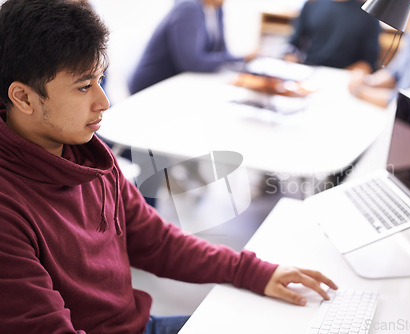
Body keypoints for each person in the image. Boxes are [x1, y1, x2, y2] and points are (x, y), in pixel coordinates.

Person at [0, 1, 337, 333]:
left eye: (102, 80)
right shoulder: (9, 210)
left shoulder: (89, 153)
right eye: (84, 86)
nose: (103, 102)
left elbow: (158, 242)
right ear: (24, 98)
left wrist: (255, 272)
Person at [128, 0, 251, 95]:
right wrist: (239, 59)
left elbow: (221, 50)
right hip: (152, 87)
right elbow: (192, 62)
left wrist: (238, 61)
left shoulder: (216, 9)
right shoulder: (188, 8)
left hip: (179, 86)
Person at [284, 0, 381, 74]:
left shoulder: (368, 12)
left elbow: (368, 62)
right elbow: (294, 44)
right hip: (310, 71)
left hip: (344, 76)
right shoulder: (312, 4)